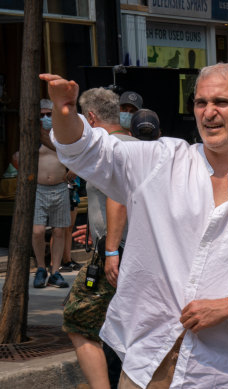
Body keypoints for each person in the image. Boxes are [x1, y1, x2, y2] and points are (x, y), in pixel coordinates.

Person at [40, 63, 228, 388]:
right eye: (201, 103)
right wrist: (65, 111)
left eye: (221, 102)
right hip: (146, 368)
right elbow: (87, 150)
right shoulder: (162, 160)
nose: (209, 113)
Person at [62, 87, 136, 389]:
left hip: (117, 254)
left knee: (77, 317)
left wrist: (109, 250)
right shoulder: (138, 145)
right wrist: (95, 229)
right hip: (127, 249)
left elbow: (117, 199)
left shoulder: (107, 149)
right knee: (124, 324)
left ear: (90, 117)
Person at [32, 98, 70, 288]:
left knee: (59, 230)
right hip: (39, 189)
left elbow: (75, 157)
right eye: (42, 115)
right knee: (38, 231)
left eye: (49, 114)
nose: (45, 118)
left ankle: (55, 271)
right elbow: (16, 157)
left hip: (60, 187)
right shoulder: (32, 136)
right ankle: (40, 267)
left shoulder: (61, 135)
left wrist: (72, 174)